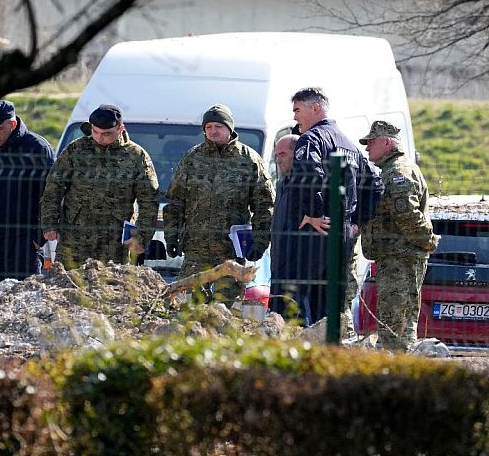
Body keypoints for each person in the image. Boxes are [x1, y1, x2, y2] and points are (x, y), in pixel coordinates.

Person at [288, 87, 382, 325]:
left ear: (315, 107)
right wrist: (354, 224)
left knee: (294, 301)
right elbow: (375, 185)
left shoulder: (312, 139)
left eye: (297, 110)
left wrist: (313, 213)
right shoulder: (348, 143)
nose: (295, 117)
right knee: (330, 307)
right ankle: (329, 352)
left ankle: (297, 356)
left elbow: (308, 173)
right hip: (341, 235)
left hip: (315, 235)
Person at [163, 104, 275, 304]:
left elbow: (264, 205)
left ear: (229, 128)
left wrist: (260, 241)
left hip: (231, 251)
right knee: (186, 306)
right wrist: (171, 237)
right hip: (196, 250)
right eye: (209, 127)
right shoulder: (192, 158)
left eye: (218, 126)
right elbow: (175, 201)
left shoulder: (249, 160)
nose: (213, 131)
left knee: (226, 309)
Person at [40, 104, 159, 268]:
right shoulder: (76, 150)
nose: (99, 138)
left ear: (120, 128)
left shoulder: (136, 156)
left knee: (111, 290)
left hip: (114, 243)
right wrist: (49, 222)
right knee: (68, 288)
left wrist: (142, 236)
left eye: (106, 134)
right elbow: (54, 187)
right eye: (95, 132)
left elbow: (149, 200)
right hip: (74, 239)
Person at [359, 121, 437, 351]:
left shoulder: (397, 172)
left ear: (386, 142)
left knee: (396, 322)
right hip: (396, 256)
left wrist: (428, 241)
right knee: (396, 318)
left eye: (371, 142)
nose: (367, 148)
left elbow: (408, 215)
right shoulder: (392, 169)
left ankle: (399, 365)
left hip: (400, 257)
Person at [0, 99, 55, 283]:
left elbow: (51, 195)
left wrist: (38, 237)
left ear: (13, 123)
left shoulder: (37, 149)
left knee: (23, 301)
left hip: (23, 242)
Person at [269, 133, 301, 317]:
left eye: (283, 154)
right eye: (276, 156)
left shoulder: (303, 186)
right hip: (278, 261)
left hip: (295, 264)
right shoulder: (282, 183)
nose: (278, 160)